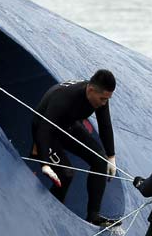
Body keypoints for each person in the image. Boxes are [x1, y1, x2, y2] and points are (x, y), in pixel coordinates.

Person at [31, 70, 118, 226]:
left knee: (100, 160)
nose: (104, 103)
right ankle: (49, 216)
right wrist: (45, 162)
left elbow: (105, 124)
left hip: (68, 125)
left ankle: (93, 215)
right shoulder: (64, 98)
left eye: (107, 99)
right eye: (103, 99)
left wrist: (111, 156)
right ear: (91, 90)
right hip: (45, 129)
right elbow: (44, 129)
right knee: (66, 174)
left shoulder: (99, 94)